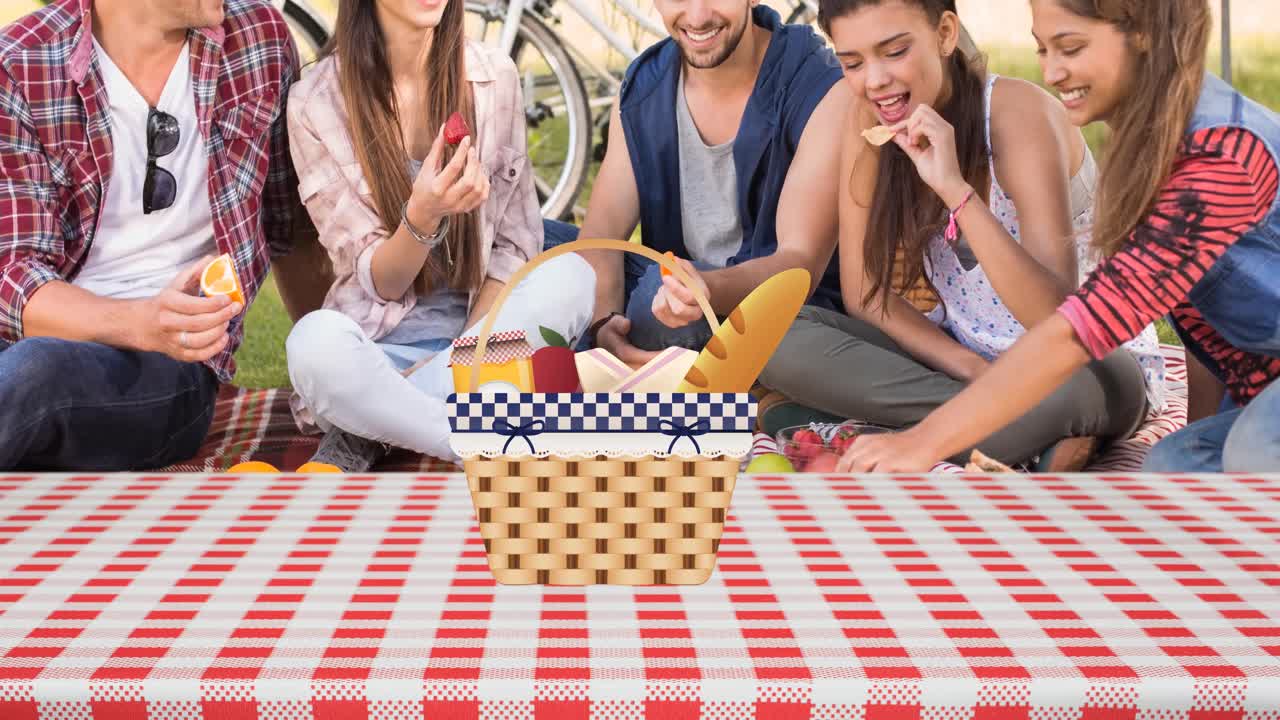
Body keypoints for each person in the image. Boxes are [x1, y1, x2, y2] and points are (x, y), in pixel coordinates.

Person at [839, 0, 1280, 473]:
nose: (1050, 73)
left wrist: (921, 444)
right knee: (1173, 467)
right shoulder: (1155, 142)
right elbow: (1200, 321)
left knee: (1250, 451)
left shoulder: (1222, 159)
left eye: (1070, 48)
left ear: (1144, 34)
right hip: (1257, 396)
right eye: (1042, 49)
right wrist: (1195, 433)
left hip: (1261, 411)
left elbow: (1086, 325)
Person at [761, 0, 1165, 470]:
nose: (874, 80)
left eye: (894, 52)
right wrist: (971, 369)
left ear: (946, 34)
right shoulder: (869, 123)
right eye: (852, 62)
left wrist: (955, 191)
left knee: (1071, 385)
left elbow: (1056, 319)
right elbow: (866, 294)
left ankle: (876, 430)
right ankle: (1005, 436)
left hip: (1084, 358)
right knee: (776, 335)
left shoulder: (1018, 115)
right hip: (967, 357)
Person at [284, 0, 594, 471]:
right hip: (377, 350)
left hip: (485, 347)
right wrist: (423, 216)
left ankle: (381, 424)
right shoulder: (316, 101)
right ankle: (473, 436)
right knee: (313, 346)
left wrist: (470, 356)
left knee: (573, 275)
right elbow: (381, 282)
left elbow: (515, 247)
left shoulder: (495, 77)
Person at [0, 0, 303, 470]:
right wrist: (136, 319)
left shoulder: (258, 39)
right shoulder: (23, 63)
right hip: (33, 336)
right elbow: (14, 276)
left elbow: (293, 228)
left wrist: (334, 369)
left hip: (169, 365)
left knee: (37, 373)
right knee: (30, 365)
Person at [568, 0, 851, 364]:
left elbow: (800, 265)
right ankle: (613, 369)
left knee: (653, 290)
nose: (698, 16)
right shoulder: (644, 89)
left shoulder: (819, 86)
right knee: (536, 246)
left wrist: (700, 291)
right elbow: (601, 236)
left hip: (776, 313)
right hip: (673, 291)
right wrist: (604, 325)